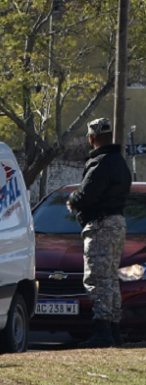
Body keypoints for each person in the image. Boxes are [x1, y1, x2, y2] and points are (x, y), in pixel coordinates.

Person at [66, 117, 131, 348]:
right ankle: (113, 330)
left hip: (100, 225)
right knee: (111, 278)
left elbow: (87, 193)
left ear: (91, 138)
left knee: (96, 278)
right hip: (116, 223)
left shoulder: (100, 163)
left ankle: (103, 331)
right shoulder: (120, 162)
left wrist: (72, 200)